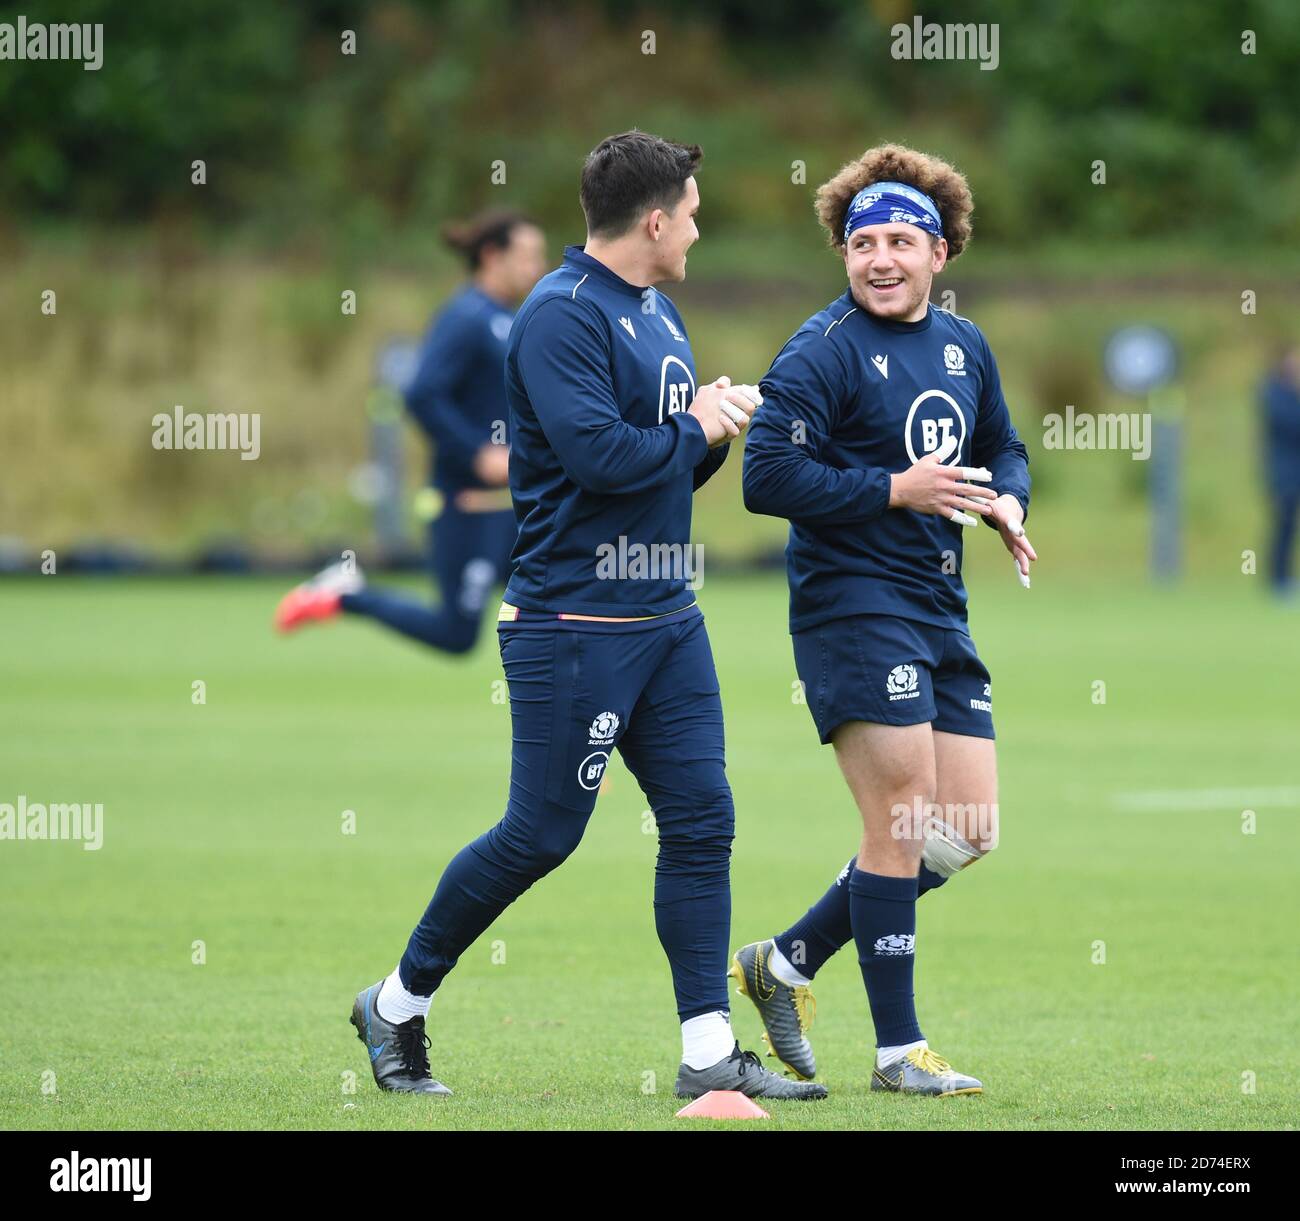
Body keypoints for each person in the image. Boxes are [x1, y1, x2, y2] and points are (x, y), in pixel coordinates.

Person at [348, 130, 826, 1102]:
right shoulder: (559, 316)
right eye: (691, 210)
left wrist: (713, 426)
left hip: (665, 616)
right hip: (572, 624)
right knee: (540, 835)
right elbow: (601, 460)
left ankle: (705, 1055)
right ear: (653, 219)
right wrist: (689, 422)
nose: (699, 224)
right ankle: (395, 1007)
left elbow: (666, 471)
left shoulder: (657, 311)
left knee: (702, 820)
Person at [732, 143, 1034, 1097]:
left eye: (902, 239)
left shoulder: (963, 345)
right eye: (863, 242)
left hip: (939, 609)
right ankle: (899, 1051)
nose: (880, 259)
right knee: (901, 818)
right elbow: (764, 477)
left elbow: (1003, 447)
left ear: (939, 253)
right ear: (844, 255)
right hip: (852, 606)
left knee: (969, 825)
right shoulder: (819, 351)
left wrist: (1009, 503)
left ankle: (786, 960)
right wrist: (893, 488)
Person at [274, 211, 546, 652]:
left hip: (507, 505)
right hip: (466, 503)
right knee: (457, 634)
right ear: (493, 256)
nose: (538, 266)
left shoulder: (506, 320)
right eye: (530, 255)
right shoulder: (466, 315)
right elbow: (421, 393)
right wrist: (478, 453)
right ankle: (346, 595)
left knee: (562, 596)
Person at [1259, 344, 1300, 596]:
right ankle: (1278, 580)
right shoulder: (1275, 393)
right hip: (1285, 473)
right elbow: (1290, 424)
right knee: (1283, 525)